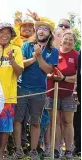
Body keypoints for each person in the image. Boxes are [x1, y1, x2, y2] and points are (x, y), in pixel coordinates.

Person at [13, 21, 59, 159]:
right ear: (36, 31)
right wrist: (34, 58)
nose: (41, 31)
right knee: (18, 120)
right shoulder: (27, 45)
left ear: (49, 33)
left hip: (39, 91)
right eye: (39, 28)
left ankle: (33, 150)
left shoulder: (53, 50)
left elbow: (47, 69)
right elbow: (22, 64)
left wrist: (38, 56)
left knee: (35, 121)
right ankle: (18, 149)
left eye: (45, 29)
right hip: (22, 88)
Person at [0, 22, 24, 159]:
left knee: (5, 127)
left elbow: (19, 72)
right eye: (2, 32)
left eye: (7, 32)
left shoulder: (17, 49)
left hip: (8, 95)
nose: (4, 35)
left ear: (11, 35)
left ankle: (1, 153)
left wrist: (12, 59)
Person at [45, 30, 78, 159]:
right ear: (61, 39)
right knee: (55, 121)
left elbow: (78, 76)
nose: (68, 41)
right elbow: (46, 69)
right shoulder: (54, 52)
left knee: (67, 122)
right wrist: (50, 76)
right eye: (66, 38)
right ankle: (56, 149)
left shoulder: (76, 55)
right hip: (52, 92)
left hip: (68, 94)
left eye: (71, 39)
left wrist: (64, 78)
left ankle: (69, 149)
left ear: (74, 43)